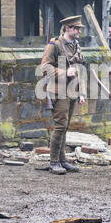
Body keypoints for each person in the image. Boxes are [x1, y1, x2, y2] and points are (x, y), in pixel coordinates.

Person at [41, 15, 86, 175]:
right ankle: (54, 162)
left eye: (79, 28)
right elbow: (45, 67)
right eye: (76, 28)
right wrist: (64, 72)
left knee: (65, 127)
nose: (79, 31)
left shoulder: (75, 45)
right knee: (60, 126)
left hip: (72, 91)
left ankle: (62, 160)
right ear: (67, 28)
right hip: (58, 91)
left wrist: (81, 92)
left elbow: (79, 68)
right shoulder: (54, 45)